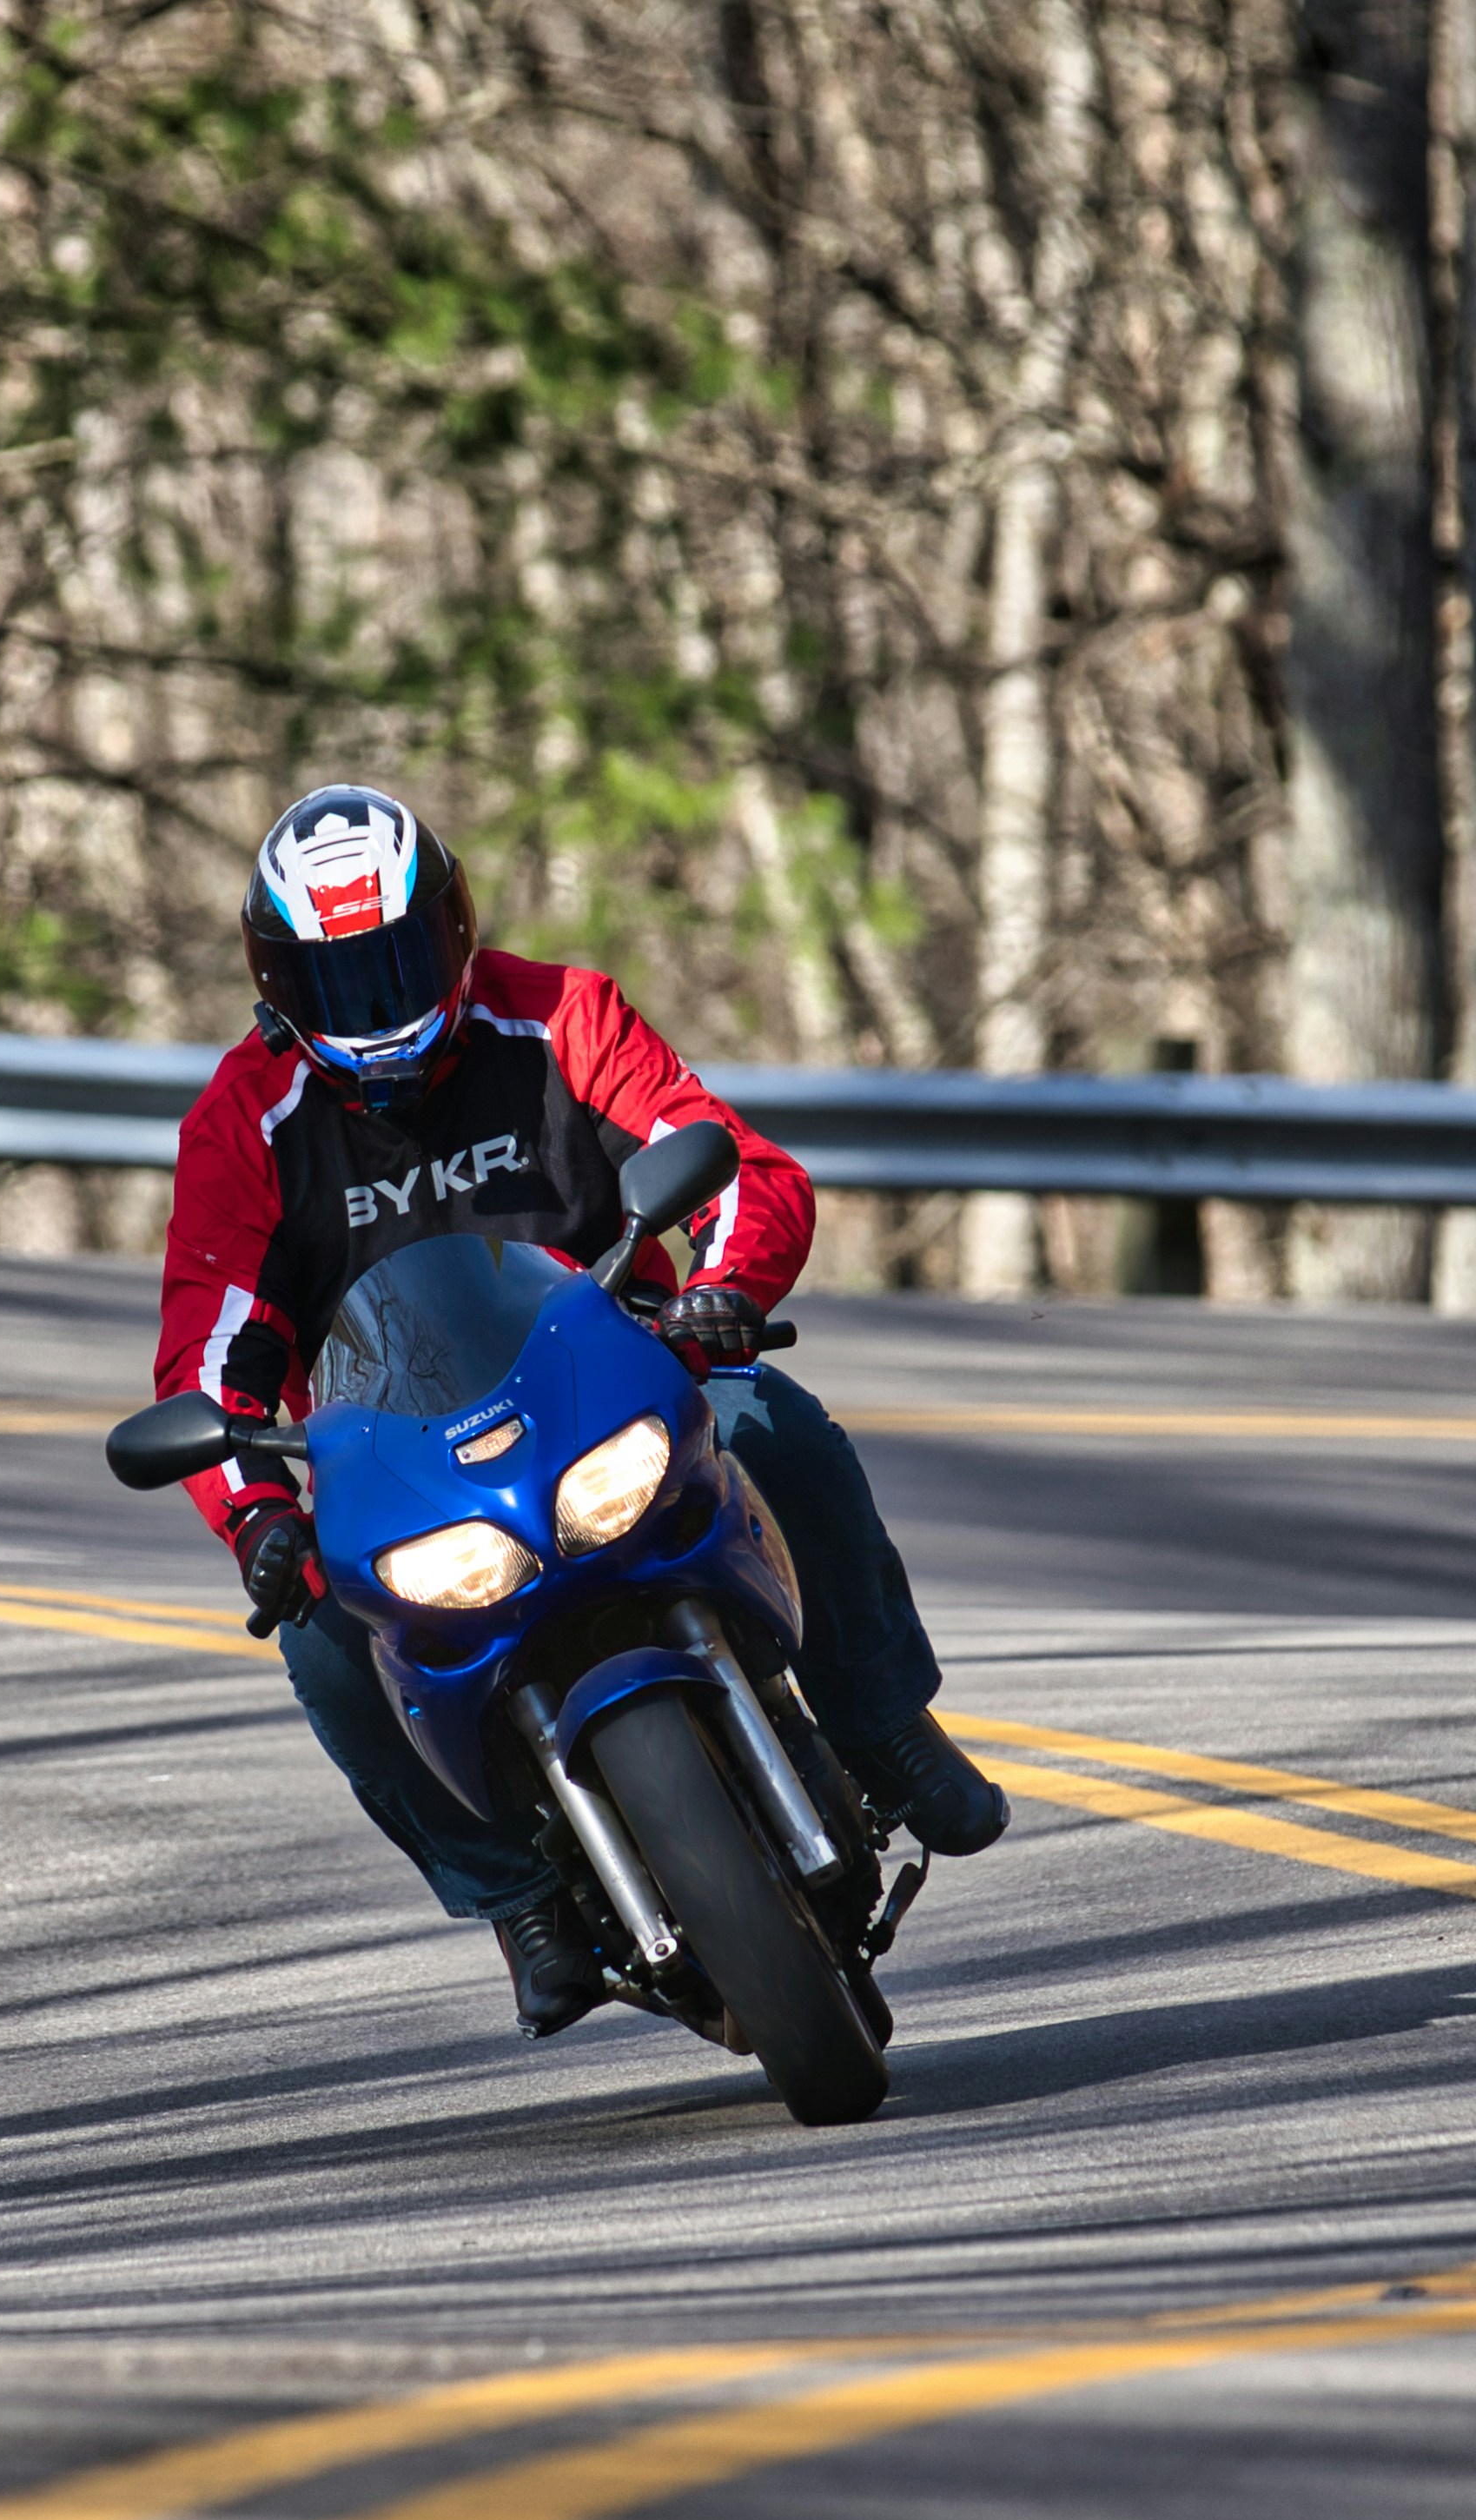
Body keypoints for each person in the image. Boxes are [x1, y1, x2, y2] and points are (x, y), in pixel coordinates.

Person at [153, 781, 1007, 2038]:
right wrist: (258, 1514)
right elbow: (208, 1352)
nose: (377, 1006)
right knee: (320, 1640)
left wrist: (722, 1288)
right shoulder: (244, 1122)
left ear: (452, 932)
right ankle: (516, 1898)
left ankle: (882, 1725)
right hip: (400, 1458)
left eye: (397, 962)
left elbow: (725, 1156)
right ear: (278, 984)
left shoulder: (560, 1014)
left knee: (778, 1421)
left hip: (623, 1367)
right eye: (340, 982)